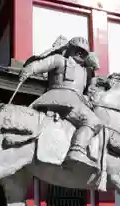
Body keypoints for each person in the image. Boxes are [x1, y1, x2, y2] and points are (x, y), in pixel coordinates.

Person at [19, 36, 103, 172]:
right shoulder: (60, 60)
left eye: (84, 52)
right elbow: (42, 64)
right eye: (78, 50)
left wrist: (94, 71)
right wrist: (29, 70)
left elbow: (90, 89)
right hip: (61, 98)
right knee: (94, 121)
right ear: (70, 49)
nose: (80, 54)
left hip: (76, 101)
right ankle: (77, 150)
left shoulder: (85, 71)